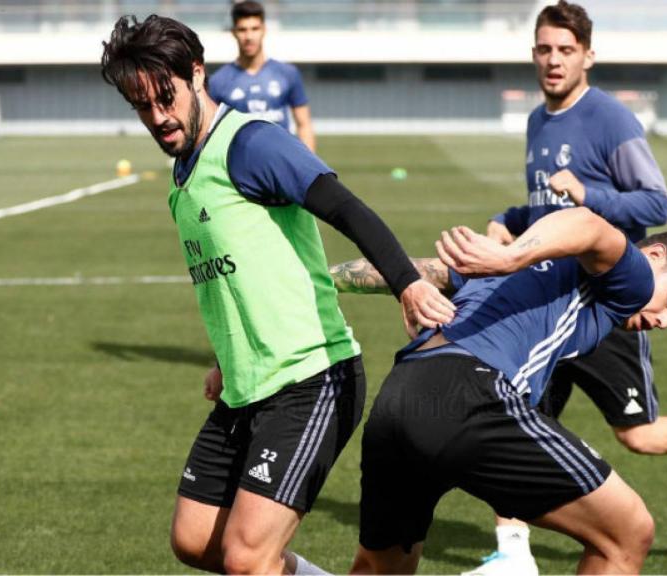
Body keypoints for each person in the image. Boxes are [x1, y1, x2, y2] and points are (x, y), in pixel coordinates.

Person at [100, 15, 454, 575]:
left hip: (310, 379)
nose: (158, 118)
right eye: (142, 107)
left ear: (197, 74)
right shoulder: (184, 172)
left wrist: (407, 284)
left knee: (247, 557)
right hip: (246, 389)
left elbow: (346, 207)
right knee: (195, 541)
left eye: (166, 98)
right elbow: (232, 275)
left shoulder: (252, 144)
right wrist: (224, 359)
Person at [470, 2, 667, 572]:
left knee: (639, 435)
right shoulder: (537, 120)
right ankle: (512, 554)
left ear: (588, 56)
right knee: (514, 408)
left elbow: (655, 203)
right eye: (545, 49)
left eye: (566, 51)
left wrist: (592, 198)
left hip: (611, 303)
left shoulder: (610, 119)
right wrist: (510, 219)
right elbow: (547, 206)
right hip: (550, 294)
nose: (553, 60)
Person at [327, 207, 667, 574]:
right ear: (653, 256)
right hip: (470, 395)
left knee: (380, 567)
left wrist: (322, 281)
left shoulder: (542, 268)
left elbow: (415, 271)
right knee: (629, 532)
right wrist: (510, 255)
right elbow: (589, 223)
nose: (665, 321)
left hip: (399, 398)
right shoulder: (632, 280)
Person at [208, 1, 316, 151]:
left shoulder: (287, 73)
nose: (249, 36)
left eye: (255, 29)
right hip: (241, 168)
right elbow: (210, 133)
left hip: (281, 160)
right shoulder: (218, 81)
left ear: (264, 30)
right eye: (242, 30)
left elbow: (304, 124)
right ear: (233, 32)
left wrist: (307, 165)